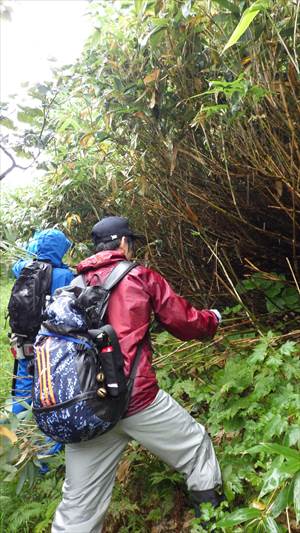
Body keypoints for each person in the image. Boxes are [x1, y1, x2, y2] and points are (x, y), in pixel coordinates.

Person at [52, 216, 223, 532]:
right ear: (122, 244)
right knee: (196, 448)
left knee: (77, 509)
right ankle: (212, 521)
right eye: (131, 243)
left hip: (89, 408)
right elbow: (184, 322)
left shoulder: (71, 288)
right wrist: (212, 319)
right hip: (138, 401)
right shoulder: (139, 277)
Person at [11, 229, 74, 415]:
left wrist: (34, 252)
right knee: (51, 389)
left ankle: (13, 431)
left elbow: (19, 262)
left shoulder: (22, 268)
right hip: (51, 341)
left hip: (24, 339)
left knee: (23, 386)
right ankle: (51, 441)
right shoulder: (65, 276)